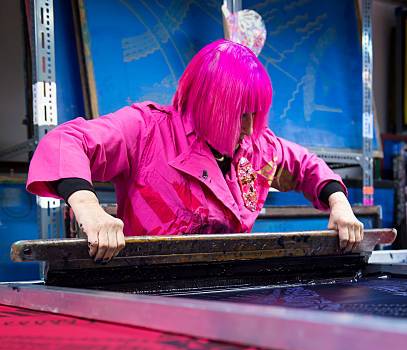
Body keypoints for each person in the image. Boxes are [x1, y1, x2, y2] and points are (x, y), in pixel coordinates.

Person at [27, 39, 364, 262]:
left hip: (230, 287)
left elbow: (306, 166)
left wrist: (339, 204)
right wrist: (88, 207)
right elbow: (65, 141)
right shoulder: (146, 131)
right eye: (239, 115)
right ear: (208, 104)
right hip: (148, 289)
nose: (249, 127)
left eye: (254, 114)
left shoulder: (256, 147)